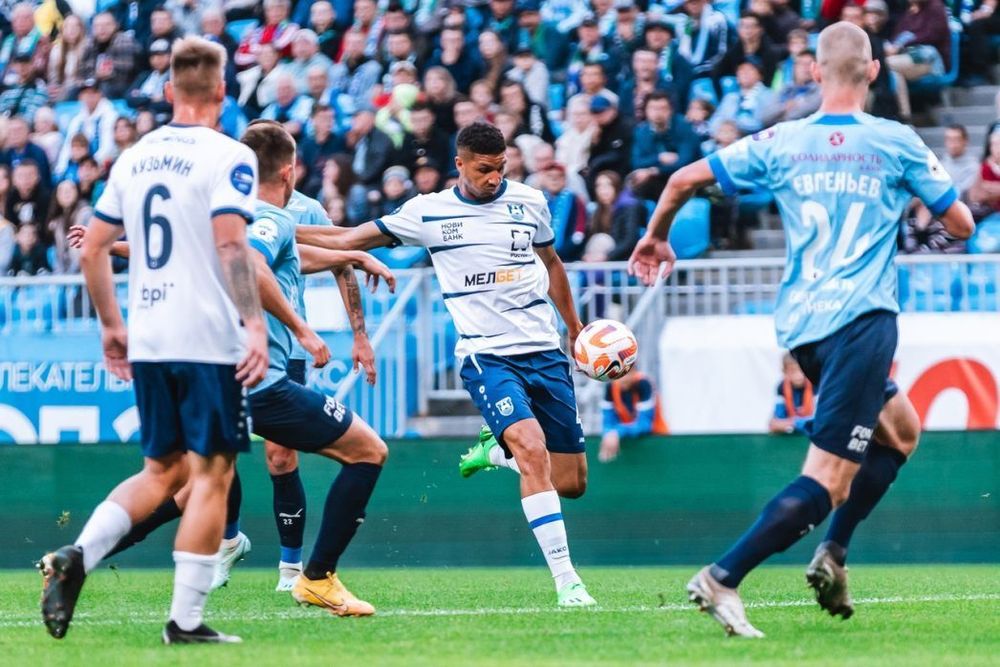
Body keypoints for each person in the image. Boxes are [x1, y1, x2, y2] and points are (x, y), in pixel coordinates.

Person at [628, 21, 975, 637]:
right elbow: (963, 224)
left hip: (804, 329)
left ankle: (833, 554)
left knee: (900, 431)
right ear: (874, 72)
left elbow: (681, 180)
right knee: (829, 480)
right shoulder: (895, 141)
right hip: (862, 321)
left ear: (813, 72)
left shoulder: (780, 140)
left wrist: (655, 236)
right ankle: (723, 576)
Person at [296, 121, 598, 608]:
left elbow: (552, 263)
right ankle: (569, 583)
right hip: (486, 355)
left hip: (544, 351)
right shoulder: (428, 212)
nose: (494, 178)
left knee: (571, 482)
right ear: (459, 164)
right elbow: (350, 238)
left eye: (501, 168)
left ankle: (496, 452)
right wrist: (274, 228)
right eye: (484, 170)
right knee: (531, 447)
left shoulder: (530, 202)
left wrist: (574, 326)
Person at [39, 36, 269, 645]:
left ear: (169, 91)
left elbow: (91, 247)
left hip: (150, 334)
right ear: (222, 90)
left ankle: (77, 555)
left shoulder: (135, 157)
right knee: (212, 474)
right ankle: (185, 622)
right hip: (205, 337)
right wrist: (254, 323)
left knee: (161, 469)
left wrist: (110, 325)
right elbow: (230, 243)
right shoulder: (230, 155)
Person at [599, 370, 669, 462]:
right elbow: (607, 422)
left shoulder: (644, 384)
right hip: (628, 442)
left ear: (634, 372)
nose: (623, 378)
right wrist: (609, 434)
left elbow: (645, 425)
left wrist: (616, 432)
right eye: (618, 374)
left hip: (657, 439)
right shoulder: (610, 387)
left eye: (626, 373)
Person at [769, 353, 815, 435]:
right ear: (785, 372)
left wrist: (793, 423)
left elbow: (819, 419)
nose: (798, 375)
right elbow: (778, 419)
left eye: (801, 370)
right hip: (793, 432)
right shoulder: (781, 387)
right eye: (792, 371)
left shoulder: (815, 385)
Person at [940, 124, 979, 195]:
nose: (952, 144)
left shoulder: (974, 167)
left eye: (956, 139)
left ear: (965, 141)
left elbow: (960, 194)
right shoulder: (940, 164)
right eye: (949, 139)